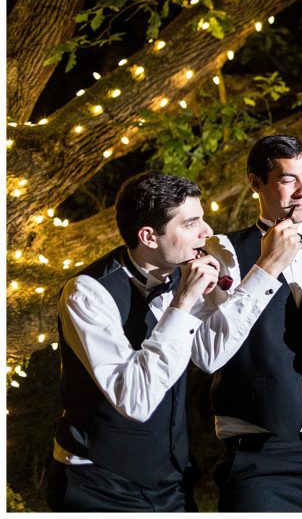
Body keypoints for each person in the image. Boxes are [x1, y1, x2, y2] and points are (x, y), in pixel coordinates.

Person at [199, 134, 302, 511]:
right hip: (257, 457)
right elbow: (207, 351)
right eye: (287, 179)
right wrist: (266, 265)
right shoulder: (224, 253)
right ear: (255, 182)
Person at [45, 171, 220, 511]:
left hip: (171, 480)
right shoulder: (87, 293)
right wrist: (183, 303)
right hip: (97, 485)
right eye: (191, 223)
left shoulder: (181, 275)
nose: (207, 231)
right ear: (148, 237)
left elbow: (212, 357)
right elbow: (134, 400)